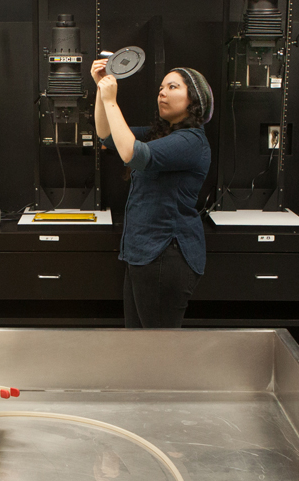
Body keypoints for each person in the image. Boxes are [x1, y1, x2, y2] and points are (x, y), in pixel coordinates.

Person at [90, 59, 213, 328]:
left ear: (195, 100)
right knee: (141, 347)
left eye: (172, 86)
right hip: (143, 253)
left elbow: (131, 153)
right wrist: (102, 90)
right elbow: (107, 135)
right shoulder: (161, 134)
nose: (162, 92)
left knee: (159, 350)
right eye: (161, 87)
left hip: (166, 255)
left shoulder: (191, 141)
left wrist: (112, 100)